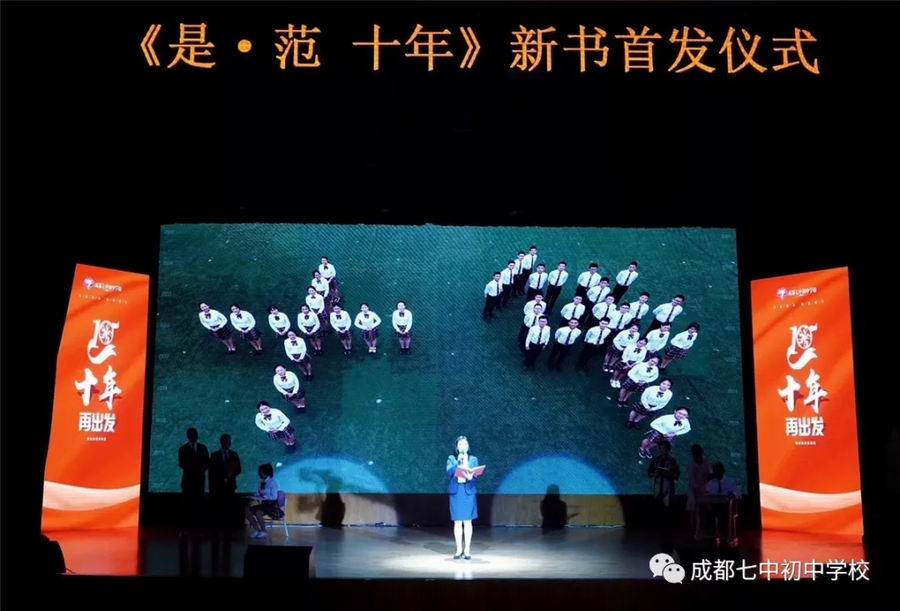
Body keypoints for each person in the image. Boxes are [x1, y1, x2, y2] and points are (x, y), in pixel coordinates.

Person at [446, 436, 480, 559]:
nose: (463, 446)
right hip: (457, 492)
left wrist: (472, 476)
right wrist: (458, 463)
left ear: (468, 446)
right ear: (457, 447)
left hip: (468, 492)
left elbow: (476, 475)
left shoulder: (473, 459)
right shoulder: (451, 459)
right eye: (460, 444)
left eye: (465, 444)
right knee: (457, 522)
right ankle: (459, 549)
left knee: (468, 521)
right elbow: (449, 472)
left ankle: (467, 550)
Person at [209, 434, 242, 527]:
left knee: (229, 506)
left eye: (229, 441)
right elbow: (211, 472)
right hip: (218, 486)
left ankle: (229, 526)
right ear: (222, 442)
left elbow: (239, 469)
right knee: (219, 507)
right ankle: (219, 526)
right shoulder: (214, 455)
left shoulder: (234, 454)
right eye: (227, 441)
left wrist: (232, 474)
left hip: (231, 486)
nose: (228, 443)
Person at [178, 428, 209, 526]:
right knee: (187, 504)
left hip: (200, 481)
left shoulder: (203, 448)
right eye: (192, 435)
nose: (194, 437)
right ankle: (187, 524)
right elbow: (181, 463)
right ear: (188, 436)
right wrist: (193, 469)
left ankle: (199, 524)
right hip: (188, 481)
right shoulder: (183, 449)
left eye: (195, 435)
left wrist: (201, 469)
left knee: (199, 502)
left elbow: (207, 462)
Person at [246, 463, 283, 539]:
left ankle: (264, 531)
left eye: (261, 472)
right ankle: (257, 530)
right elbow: (259, 493)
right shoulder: (261, 482)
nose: (259, 474)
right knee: (247, 511)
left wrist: (264, 497)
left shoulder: (272, 482)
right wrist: (255, 496)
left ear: (266, 473)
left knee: (258, 512)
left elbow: (274, 497)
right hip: (264, 504)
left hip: (272, 505)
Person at [686, 444, 711, 537]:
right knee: (693, 510)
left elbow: (709, 475)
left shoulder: (706, 462)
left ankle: (703, 528)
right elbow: (692, 480)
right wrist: (696, 490)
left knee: (704, 510)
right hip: (694, 491)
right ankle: (693, 530)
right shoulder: (691, 465)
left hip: (704, 490)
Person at [647, 440, 679, 508]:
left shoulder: (672, 461)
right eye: (660, 448)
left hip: (669, 493)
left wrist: (668, 474)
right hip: (657, 492)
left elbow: (676, 476)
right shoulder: (655, 461)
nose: (662, 450)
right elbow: (650, 473)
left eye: (664, 448)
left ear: (668, 449)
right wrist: (655, 474)